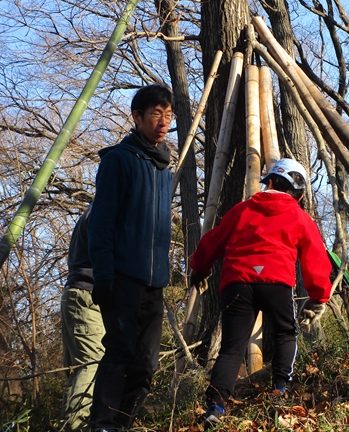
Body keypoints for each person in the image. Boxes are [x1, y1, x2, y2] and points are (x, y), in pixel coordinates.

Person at [189, 158, 332, 429]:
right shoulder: (300, 217)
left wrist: (199, 269)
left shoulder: (242, 210)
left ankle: (216, 406)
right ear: (299, 193)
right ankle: (280, 390)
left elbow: (213, 241)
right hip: (276, 282)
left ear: (268, 182)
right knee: (285, 334)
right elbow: (316, 258)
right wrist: (318, 296)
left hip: (237, 282)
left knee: (232, 348)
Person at [88, 84, 174, 431]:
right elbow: (101, 223)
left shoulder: (164, 169)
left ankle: (123, 424)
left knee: (146, 364)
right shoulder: (118, 161)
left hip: (155, 282)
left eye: (168, 115)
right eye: (156, 113)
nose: (163, 121)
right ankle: (103, 424)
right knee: (120, 353)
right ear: (137, 116)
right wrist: (104, 274)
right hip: (122, 277)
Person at [60, 203, 105, 431]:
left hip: (75, 294)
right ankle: (77, 425)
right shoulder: (103, 210)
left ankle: (70, 423)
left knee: (81, 367)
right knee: (92, 363)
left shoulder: (92, 210)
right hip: (87, 295)